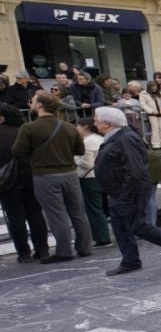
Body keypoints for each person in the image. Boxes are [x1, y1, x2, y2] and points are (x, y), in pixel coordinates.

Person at [92, 107, 161, 275]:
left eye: (96, 119)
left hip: (127, 191)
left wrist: (126, 195)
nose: (94, 122)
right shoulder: (116, 138)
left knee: (138, 225)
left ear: (107, 123)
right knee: (120, 227)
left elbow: (135, 170)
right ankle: (130, 260)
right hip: (118, 190)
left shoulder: (126, 138)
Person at [11, 92, 92, 263]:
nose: (30, 103)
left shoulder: (29, 128)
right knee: (78, 212)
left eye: (33, 101)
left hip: (45, 175)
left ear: (40, 105)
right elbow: (80, 151)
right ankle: (84, 247)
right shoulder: (69, 127)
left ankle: (64, 251)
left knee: (57, 214)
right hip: (70, 173)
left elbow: (18, 151)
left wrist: (36, 159)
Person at [0, 103, 50, 262]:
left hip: (7, 180)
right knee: (35, 214)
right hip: (30, 176)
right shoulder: (25, 130)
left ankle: (24, 253)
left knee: (15, 218)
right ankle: (42, 250)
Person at [74, 119, 112, 248]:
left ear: (84, 127)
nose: (76, 128)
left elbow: (87, 163)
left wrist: (75, 158)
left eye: (77, 126)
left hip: (89, 177)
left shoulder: (87, 142)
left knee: (94, 209)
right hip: (101, 176)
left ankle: (102, 238)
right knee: (103, 207)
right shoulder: (99, 138)